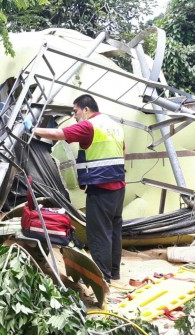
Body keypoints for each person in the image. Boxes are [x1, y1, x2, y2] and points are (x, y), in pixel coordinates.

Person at [24, 94, 125, 283]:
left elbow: (58, 135)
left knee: (99, 233)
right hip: (119, 187)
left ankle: (103, 278)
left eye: (76, 111)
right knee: (114, 231)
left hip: (101, 188)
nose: (75, 116)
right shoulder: (115, 126)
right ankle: (114, 271)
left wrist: (33, 129)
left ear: (86, 109)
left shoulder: (89, 125)